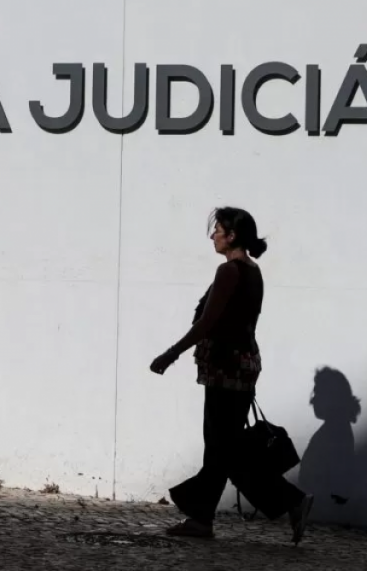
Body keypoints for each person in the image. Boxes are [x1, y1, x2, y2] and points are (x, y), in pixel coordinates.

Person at [149, 206, 314, 544]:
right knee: (222, 448)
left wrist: (171, 353)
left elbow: (207, 322)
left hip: (226, 369)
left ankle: (289, 501)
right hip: (241, 366)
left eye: (218, 230)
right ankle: (202, 519)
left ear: (232, 235)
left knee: (223, 449)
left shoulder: (229, 271)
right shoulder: (252, 271)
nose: (213, 236)